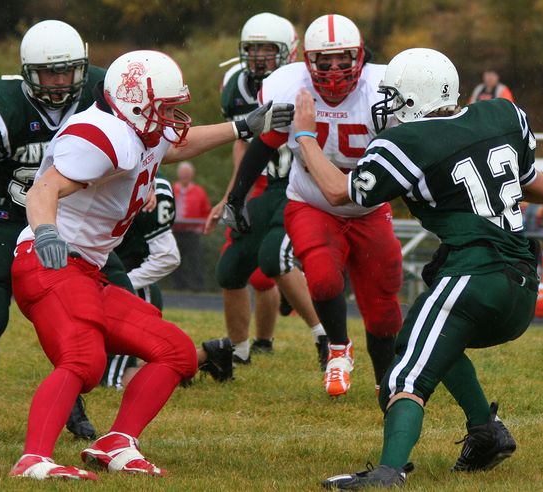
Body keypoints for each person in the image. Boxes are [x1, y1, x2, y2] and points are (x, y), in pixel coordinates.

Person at [8, 49, 293, 480]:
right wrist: (47, 231)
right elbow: (43, 188)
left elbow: (179, 144)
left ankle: (116, 442)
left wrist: (243, 125)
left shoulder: (137, 129)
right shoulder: (100, 133)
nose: (173, 118)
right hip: (49, 260)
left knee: (176, 352)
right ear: (137, 103)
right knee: (84, 360)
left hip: (87, 270)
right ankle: (33, 459)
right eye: (166, 108)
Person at [291, 47, 543, 488]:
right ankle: (486, 433)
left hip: (475, 276)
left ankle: (388, 471)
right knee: (421, 332)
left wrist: (305, 136)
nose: (388, 107)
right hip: (522, 285)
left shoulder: (409, 141)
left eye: (394, 97)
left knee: (406, 371)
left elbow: (339, 192)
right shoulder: (503, 115)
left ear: (412, 99)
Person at [224, 14, 403, 395]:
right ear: (308, 61)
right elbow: (266, 142)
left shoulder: (384, 90)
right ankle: (338, 348)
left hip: (369, 209)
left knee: (383, 302)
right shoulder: (291, 87)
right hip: (311, 202)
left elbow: (412, 160)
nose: (335, 69)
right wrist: (237, 195)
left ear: (359, 57)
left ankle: (386, 382)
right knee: (321, 276)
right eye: (325, 60)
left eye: (343, 59)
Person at [0, 19, 104, 438]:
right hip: (10, 217)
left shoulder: (102, 94)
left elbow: (139, 144)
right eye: (50, 71)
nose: (60, 80)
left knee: (79, 315)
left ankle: (72, 399)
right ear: (28, 71)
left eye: (68, 69)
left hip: (74, 220)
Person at [206, 12, 328, 367]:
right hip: (265, 181)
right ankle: (238, 351)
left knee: (274, 258)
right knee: (230, 269)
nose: (259, 56)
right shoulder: (234, 83)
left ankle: (325, 337)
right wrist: (232, 195)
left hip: (299, 181)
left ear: (288, 52)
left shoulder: (306, 81)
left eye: (267, 49)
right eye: (253, 49)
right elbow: (241, 142)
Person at [104, 170, 233, 388]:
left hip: (133, 291)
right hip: (114, 284)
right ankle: (206, 355)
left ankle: (182, 365)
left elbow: (168, 257)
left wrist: (121, 283)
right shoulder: (105, 168)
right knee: (93, 364)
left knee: (110, 379)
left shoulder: (155, 185)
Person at [172, 161, 211, 291]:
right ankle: (179, 286)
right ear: (179, 175)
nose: (185, 176)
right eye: (183, 174)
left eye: (187, 174)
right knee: (176, 260)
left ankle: (197, 286)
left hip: (192, 232)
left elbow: (206, 210)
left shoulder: (199, 191)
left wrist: (203, 227)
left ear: (192, 175)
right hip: (175, 231)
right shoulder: (172, 189)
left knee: (195, 260)